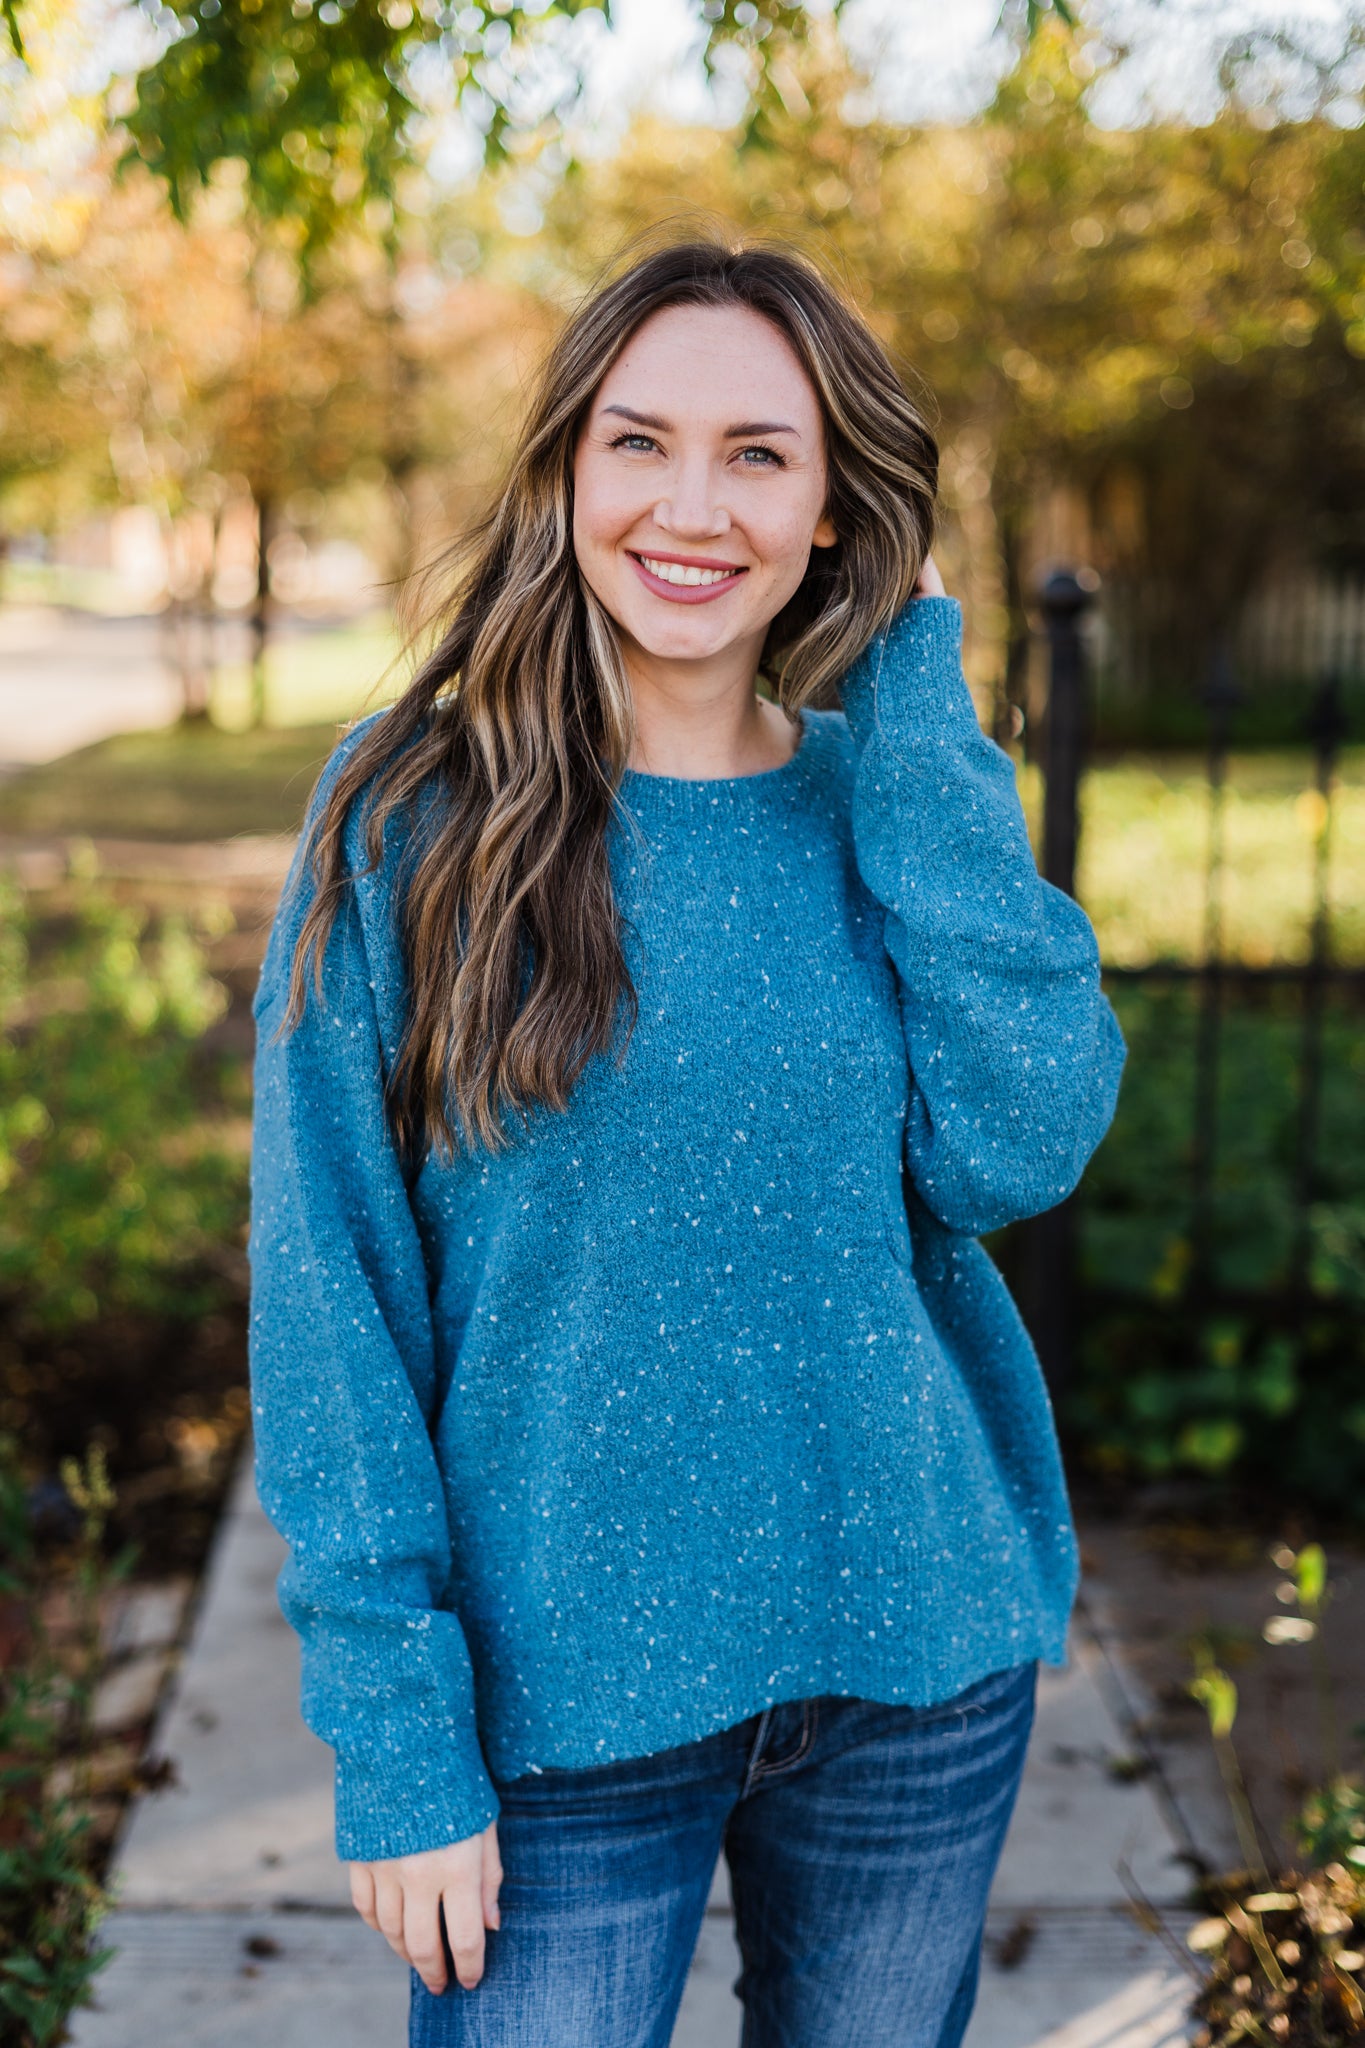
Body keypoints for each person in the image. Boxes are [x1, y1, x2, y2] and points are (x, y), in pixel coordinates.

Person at [247, 232, 1126, 2048]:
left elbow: (1018, 1144)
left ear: (833, 511)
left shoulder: (875, 801)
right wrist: (397, 1730)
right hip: (553, 1695)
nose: (690, 506)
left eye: (759, 454)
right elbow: (327, 1290)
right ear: (566, 470)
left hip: (909, 1650)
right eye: (637, 442)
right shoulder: (410, 812)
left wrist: (909, 696)